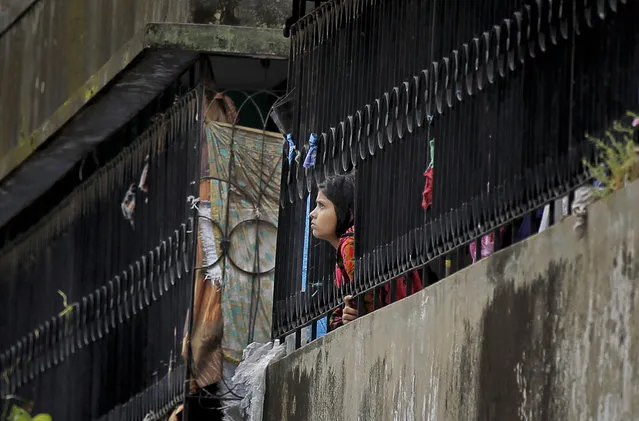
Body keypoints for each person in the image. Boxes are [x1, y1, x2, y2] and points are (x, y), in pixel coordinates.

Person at [309, 173, 423, 330]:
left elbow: (367, 306)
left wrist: (356, 314)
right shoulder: (351, 243)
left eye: (321, 206)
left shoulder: (350, 244)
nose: (312, 213)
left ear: (348, 212)